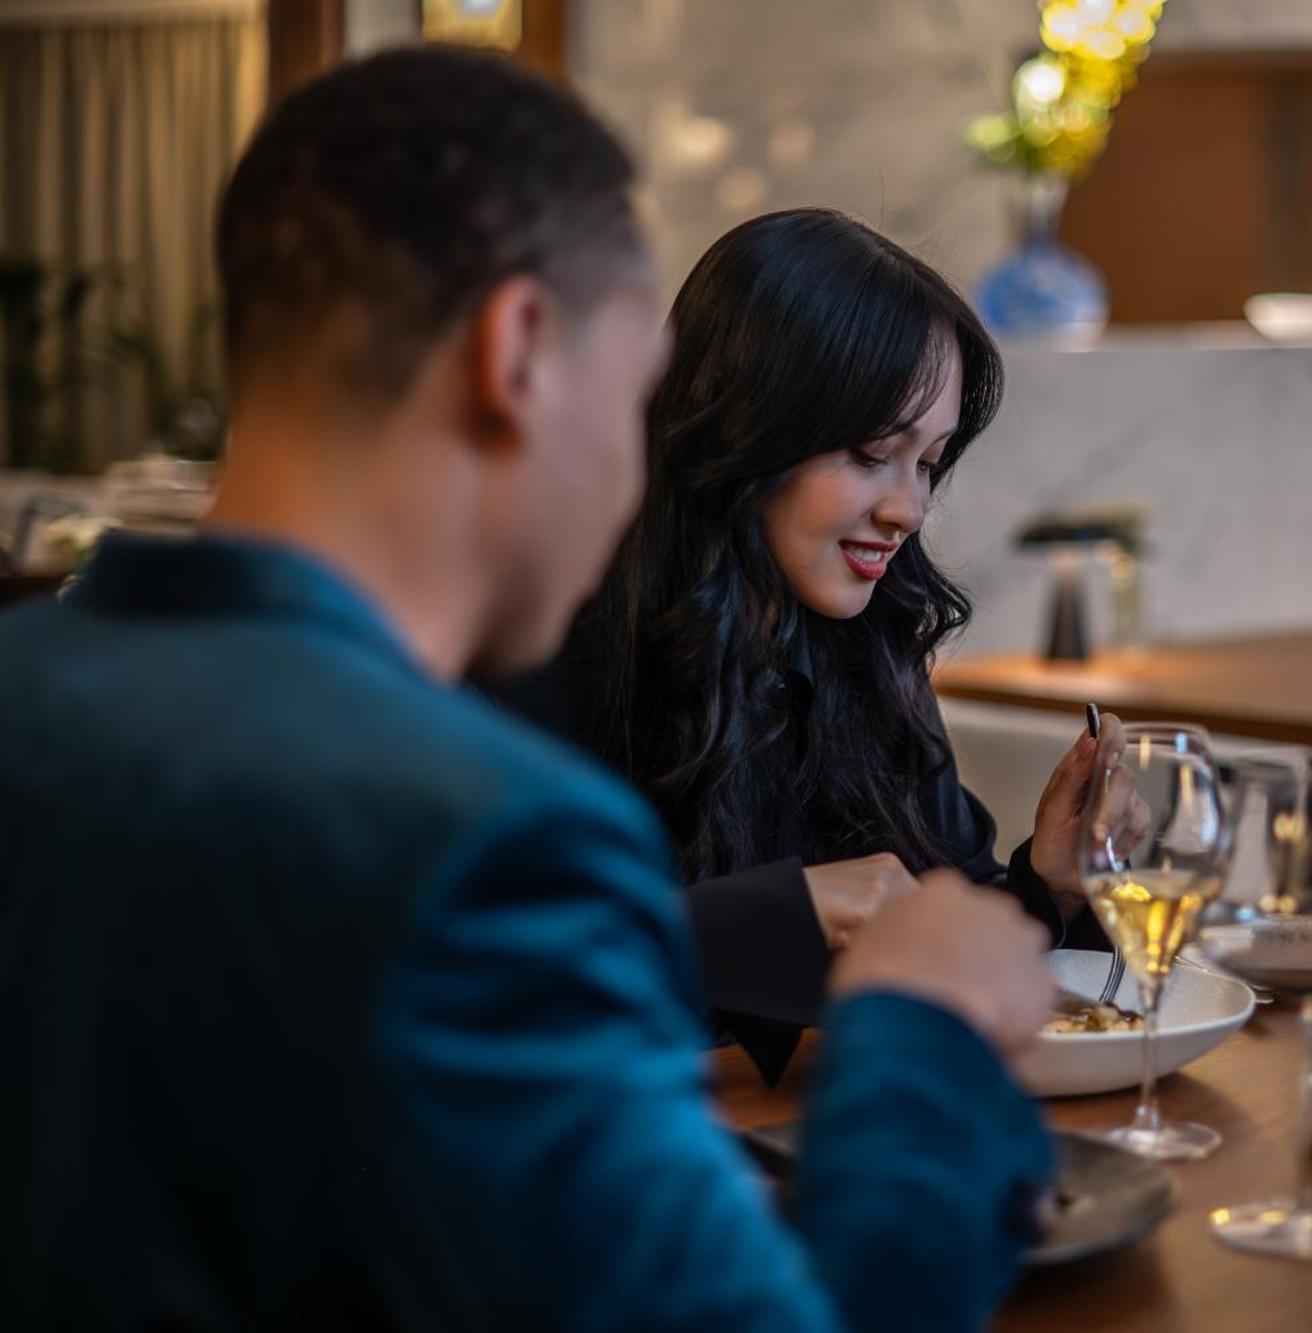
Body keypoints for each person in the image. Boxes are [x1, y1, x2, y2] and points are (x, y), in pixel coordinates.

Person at [0, 48, 1055, 1329]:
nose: (636, 472)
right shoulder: (479, 839)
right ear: (517, 356)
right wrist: (921, 1036)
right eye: (631, 400)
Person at [534, 208, 1112, 1080]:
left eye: (928, 463)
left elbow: (938, 926)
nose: (908, 510)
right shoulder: (555, 637)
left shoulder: (869, 644)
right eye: (874, 451)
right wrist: (776, 914)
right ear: (743, 427)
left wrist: (1051, 884)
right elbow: (493, 974)